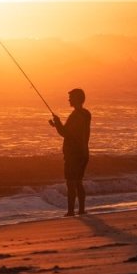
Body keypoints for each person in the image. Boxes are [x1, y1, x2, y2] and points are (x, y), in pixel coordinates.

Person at [49, 87, 91, 216]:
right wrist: (57, 125)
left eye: (71, 97)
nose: (69, 100)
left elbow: (65, 133)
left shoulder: (75, 116)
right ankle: (81, 210)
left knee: (71, 183)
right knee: (78, 182)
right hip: (83, 152)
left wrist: (58, 123)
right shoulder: (86, 114)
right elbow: (71, 132)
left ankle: (71, 211)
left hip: (74, 154)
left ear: (77, 98)